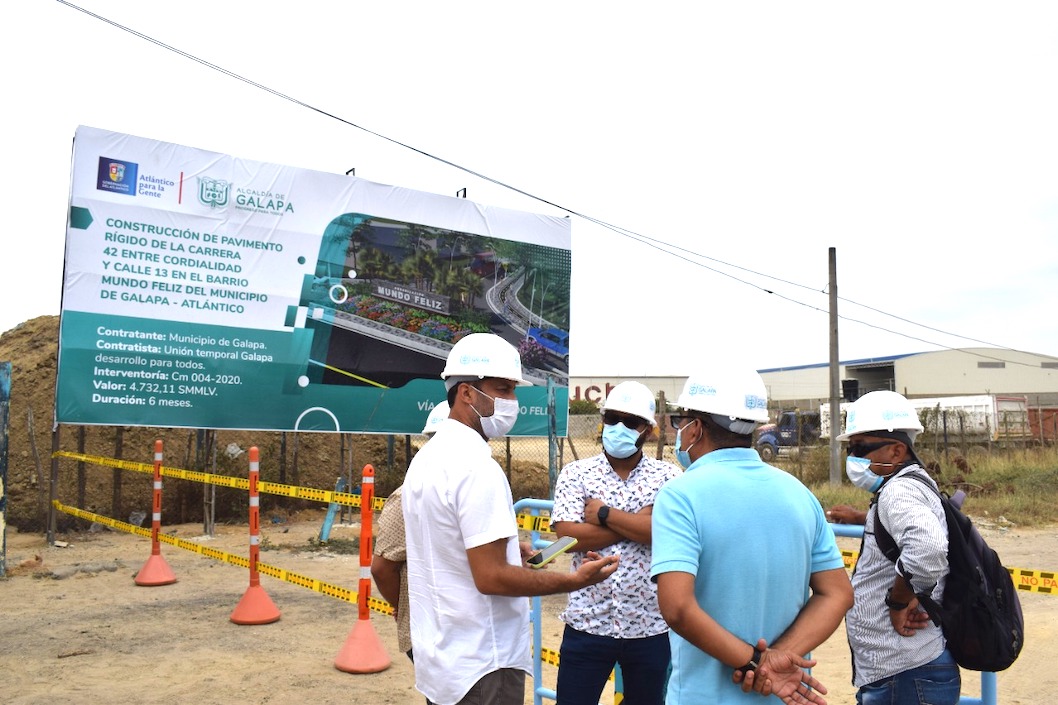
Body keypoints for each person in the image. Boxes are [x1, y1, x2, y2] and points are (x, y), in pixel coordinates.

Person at [402, 333, 620, 705]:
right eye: (503, 389)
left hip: (444, 660)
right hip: (483, 663)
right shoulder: (477, 468)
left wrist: (504, 550)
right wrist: (572, 580)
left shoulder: (426, 458)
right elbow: (491, 577)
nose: (512, 402)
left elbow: (448, 549)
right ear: (467, 393)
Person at [650, 365, 853, 705]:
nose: (677, 431)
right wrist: (779, 658)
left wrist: (757, 662)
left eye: (678, 421)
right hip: (783, 694)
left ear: (696, 428)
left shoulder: (680, 496)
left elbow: (678, 608)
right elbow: (837, 594)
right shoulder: (799, 494)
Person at [550, 381, 681, 705]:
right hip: (587, 622)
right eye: (612, 419)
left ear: (648, 430)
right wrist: (637, 522)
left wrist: (604, 514)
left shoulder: (668, 477)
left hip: (650, 625)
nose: (618, 428)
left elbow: (668, 532)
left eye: (630, 421)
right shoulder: (576, 473)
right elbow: (567, 536)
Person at [837, 390, 960, 704]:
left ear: (896, 450)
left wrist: (898, 600)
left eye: (860, 448)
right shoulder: (910, 485)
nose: (852, 458)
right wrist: (867, 518)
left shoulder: (899, 490)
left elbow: (927, 549)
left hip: (905, 674)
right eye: (850, 448)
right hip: (906, 673)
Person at [371, 401, 450, 662]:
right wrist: (404, 607)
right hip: (432, 634)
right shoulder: (408, 496)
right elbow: (382, 569)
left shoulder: (471, 488)